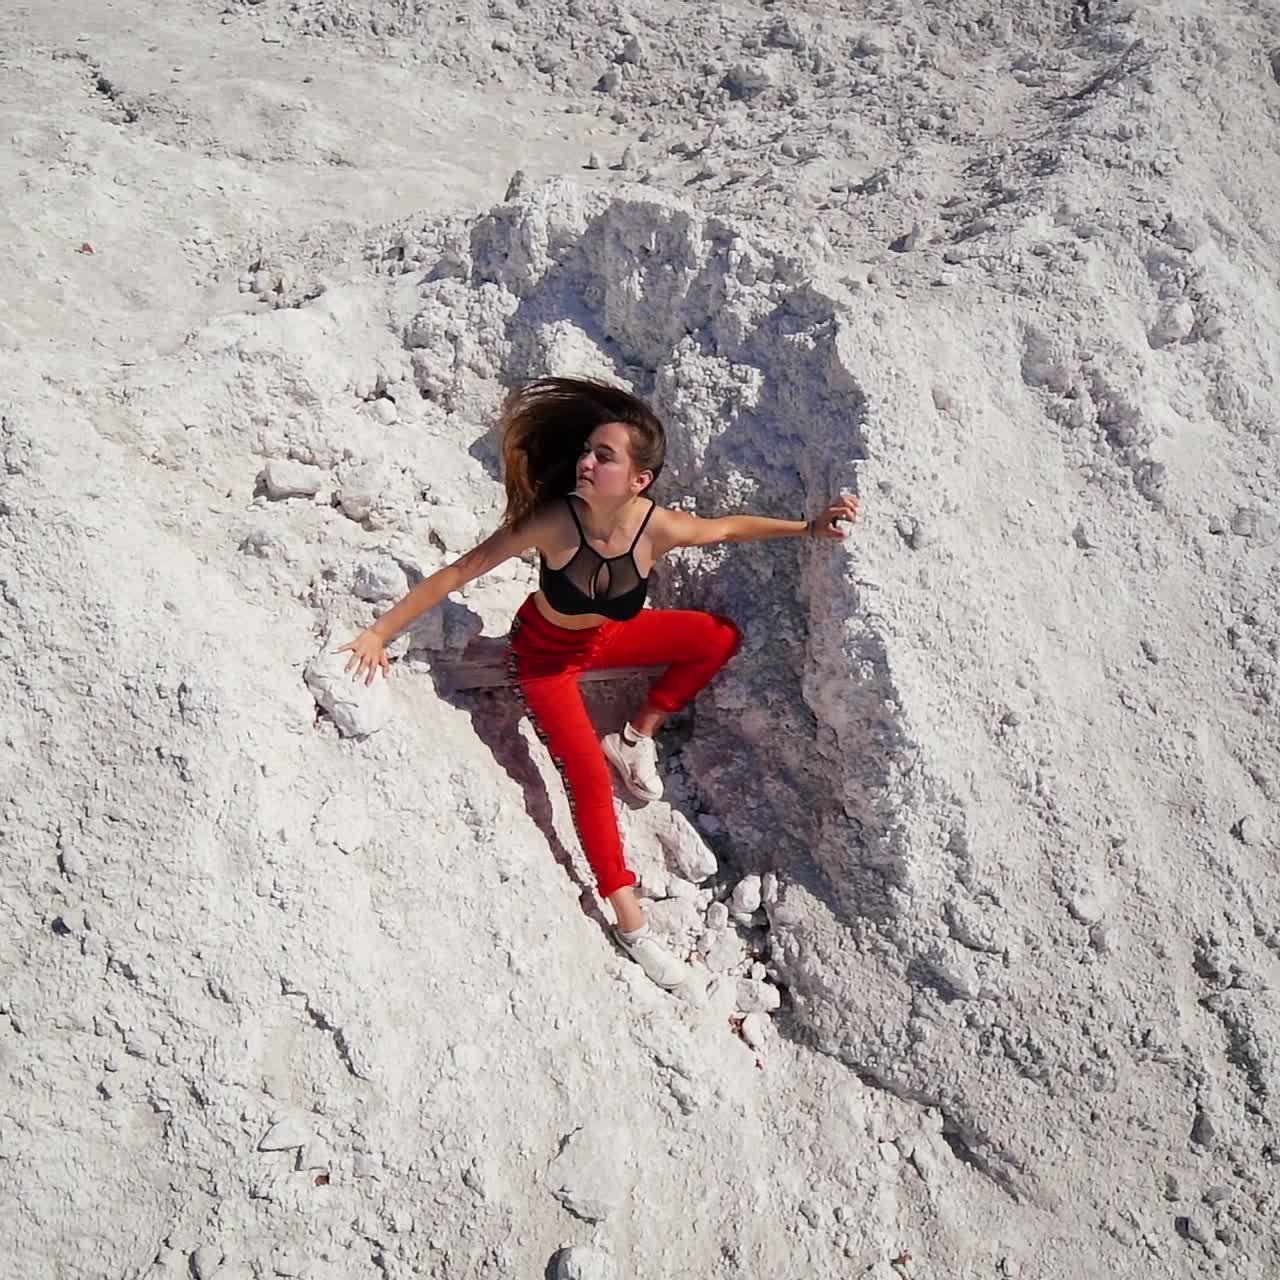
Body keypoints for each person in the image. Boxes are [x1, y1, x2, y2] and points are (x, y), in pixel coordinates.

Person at [337, 375, 859, 989]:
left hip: (605, 639)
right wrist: (378, 633)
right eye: (587, 451)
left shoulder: (653, 525)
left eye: (603, 456)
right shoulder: (552, 523)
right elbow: (457, 573)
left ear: (638, 479)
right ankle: (631, 924)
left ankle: (635, 735)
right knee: (584, 778)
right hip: (544, 661)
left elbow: (723, 528)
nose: (586, 461)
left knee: (716, 636)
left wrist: (808, 529)